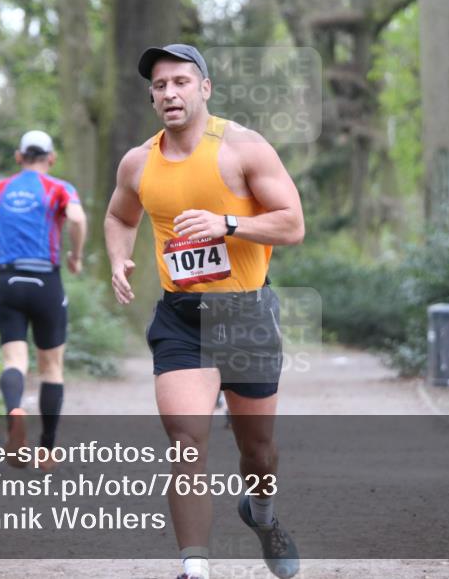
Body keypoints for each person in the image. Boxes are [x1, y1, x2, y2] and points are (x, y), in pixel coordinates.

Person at [104, 44, 303, 579]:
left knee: (257, 452)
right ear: (152, 96)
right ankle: (195, 568)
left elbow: (292, 223)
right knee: (186, 439)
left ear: (205, 89)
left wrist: (228, 225)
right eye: (160, 85)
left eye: (181, 82)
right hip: (181, 316)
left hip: (246, 313)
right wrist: (119, 257)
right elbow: (120, 216)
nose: (170, 92)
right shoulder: (138, 162)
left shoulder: (243, 148)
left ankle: (262, 514)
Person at [0, 130, 86, 472]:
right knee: (51, 368)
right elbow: (76, 218)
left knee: (14, 360)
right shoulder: (59, 188)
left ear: (18, 157)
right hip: (46, 281)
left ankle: (14, 408)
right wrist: (76, 254)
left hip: (9, 281)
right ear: (51, 158)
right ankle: (45, 450)